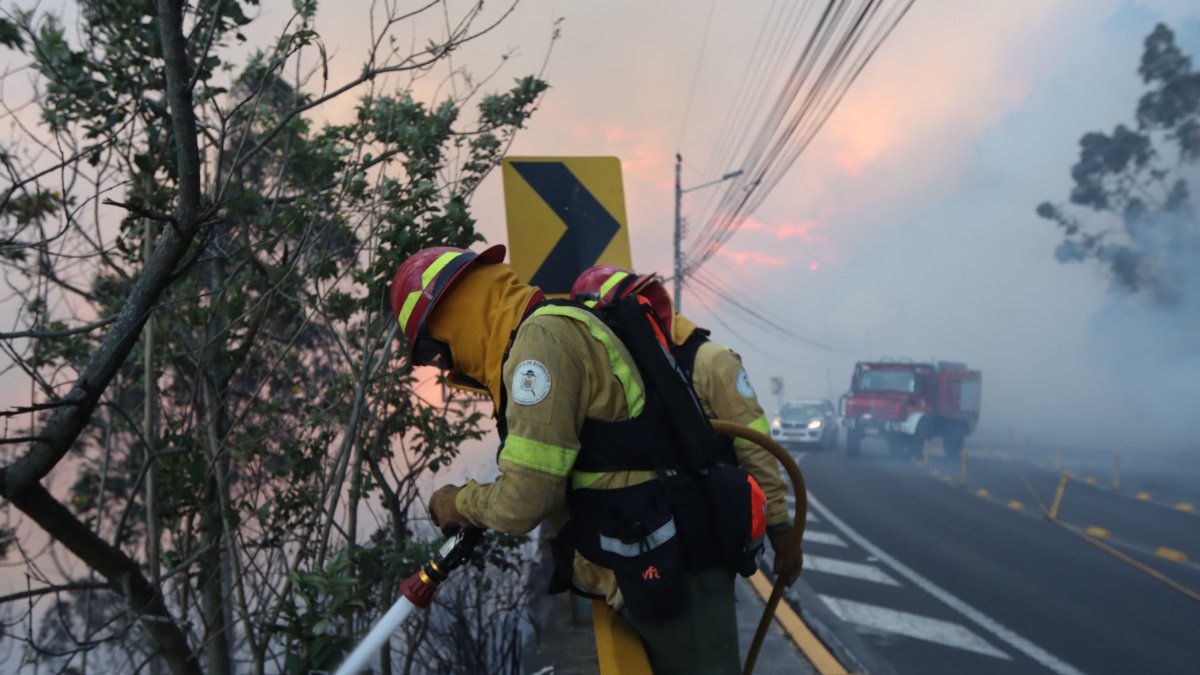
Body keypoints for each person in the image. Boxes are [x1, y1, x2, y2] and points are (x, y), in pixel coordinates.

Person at [389, 244, 785, 674]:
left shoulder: (540, 345)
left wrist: (457, 503)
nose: (442, 365)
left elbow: (524, 500)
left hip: (676, 567)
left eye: (433, 351)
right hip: (662, 561)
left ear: (454, 315)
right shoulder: (553, 328)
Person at [570, 265, 802, 587]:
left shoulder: (710, 362)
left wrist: (778, 528)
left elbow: (755, 447)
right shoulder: (621, 375)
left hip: (707, 543)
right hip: (647, 547)